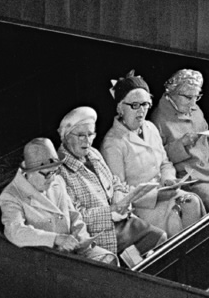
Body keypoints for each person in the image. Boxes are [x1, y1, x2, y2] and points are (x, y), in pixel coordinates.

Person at [100, 70, 205, 237]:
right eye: (135, 105)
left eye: (145, 104)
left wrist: (168, 179)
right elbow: (118, 194)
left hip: (165, 191)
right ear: (120, 107)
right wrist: (157, 195)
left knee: (193, 202)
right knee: (175, 220)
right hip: (141, 207)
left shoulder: (150, 127)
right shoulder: (112, 144)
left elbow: (165, 163)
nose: (141, 111)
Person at [57, 106, 166, 259]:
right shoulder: (60, 171)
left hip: (122, 221)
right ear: (66, 136)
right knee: (149, 249)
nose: (87, 141)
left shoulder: (93, 154)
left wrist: (120, 195)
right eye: (81, 135)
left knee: (160, 239)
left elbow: (114, 181)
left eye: (90, 134)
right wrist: (111, 211)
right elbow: (77, 216)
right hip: (101, 232)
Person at [0, 137, 117, 264]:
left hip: (73, 252)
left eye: (55, 171)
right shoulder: (11, 196)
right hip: (45, 260)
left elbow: (74, 215)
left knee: (110, 261)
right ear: (29, 172)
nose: (52, 178)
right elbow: (15, 232)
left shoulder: (57, 181)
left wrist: (82, 239)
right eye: (47, 174)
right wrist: (56, 239)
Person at [151, 69, 209, 212]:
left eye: (196, 97)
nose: (193, 103)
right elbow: (158, 160)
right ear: (172, 92)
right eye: (188, 97)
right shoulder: (159, 120)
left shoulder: (194, 109)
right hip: (191, 180)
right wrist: (181, 144)